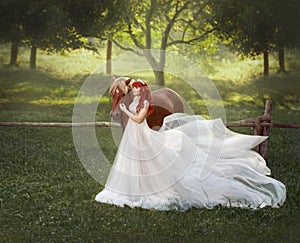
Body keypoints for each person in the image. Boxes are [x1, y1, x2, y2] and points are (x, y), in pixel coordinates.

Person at [95, 79, 286, 211]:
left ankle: (148, 186)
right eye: (133, 88)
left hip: (139, 131)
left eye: (137, 88)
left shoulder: (143, 104)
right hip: (132, 136)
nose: (135, 90)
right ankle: (131, 185)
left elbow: (137, 120)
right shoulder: (132, 100)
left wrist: (125, 112)